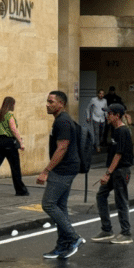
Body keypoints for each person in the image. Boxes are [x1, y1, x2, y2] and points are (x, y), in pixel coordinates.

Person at [37, 90, 85, 259]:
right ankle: (61, 245)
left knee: (48, 204)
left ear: (61, 104)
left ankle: (74, 238)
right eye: (47, 101)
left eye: (51, 102)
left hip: (63, 169)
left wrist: (46, 171)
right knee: (61, 207)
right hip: (68, 168)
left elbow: (62, 147)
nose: (47, 104)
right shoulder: (61, 120)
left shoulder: (62, 122)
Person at [92, 103, 134, 244]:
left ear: (117, 115)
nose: (107, 116)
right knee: (101, 195)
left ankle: (126, 233)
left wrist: (107, 173)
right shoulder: (115, 130)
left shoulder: (123, 131)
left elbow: (118, 154)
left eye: (109, 113)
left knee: (121, 200)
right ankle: (106, 229)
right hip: (114, 171)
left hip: (120, 171)